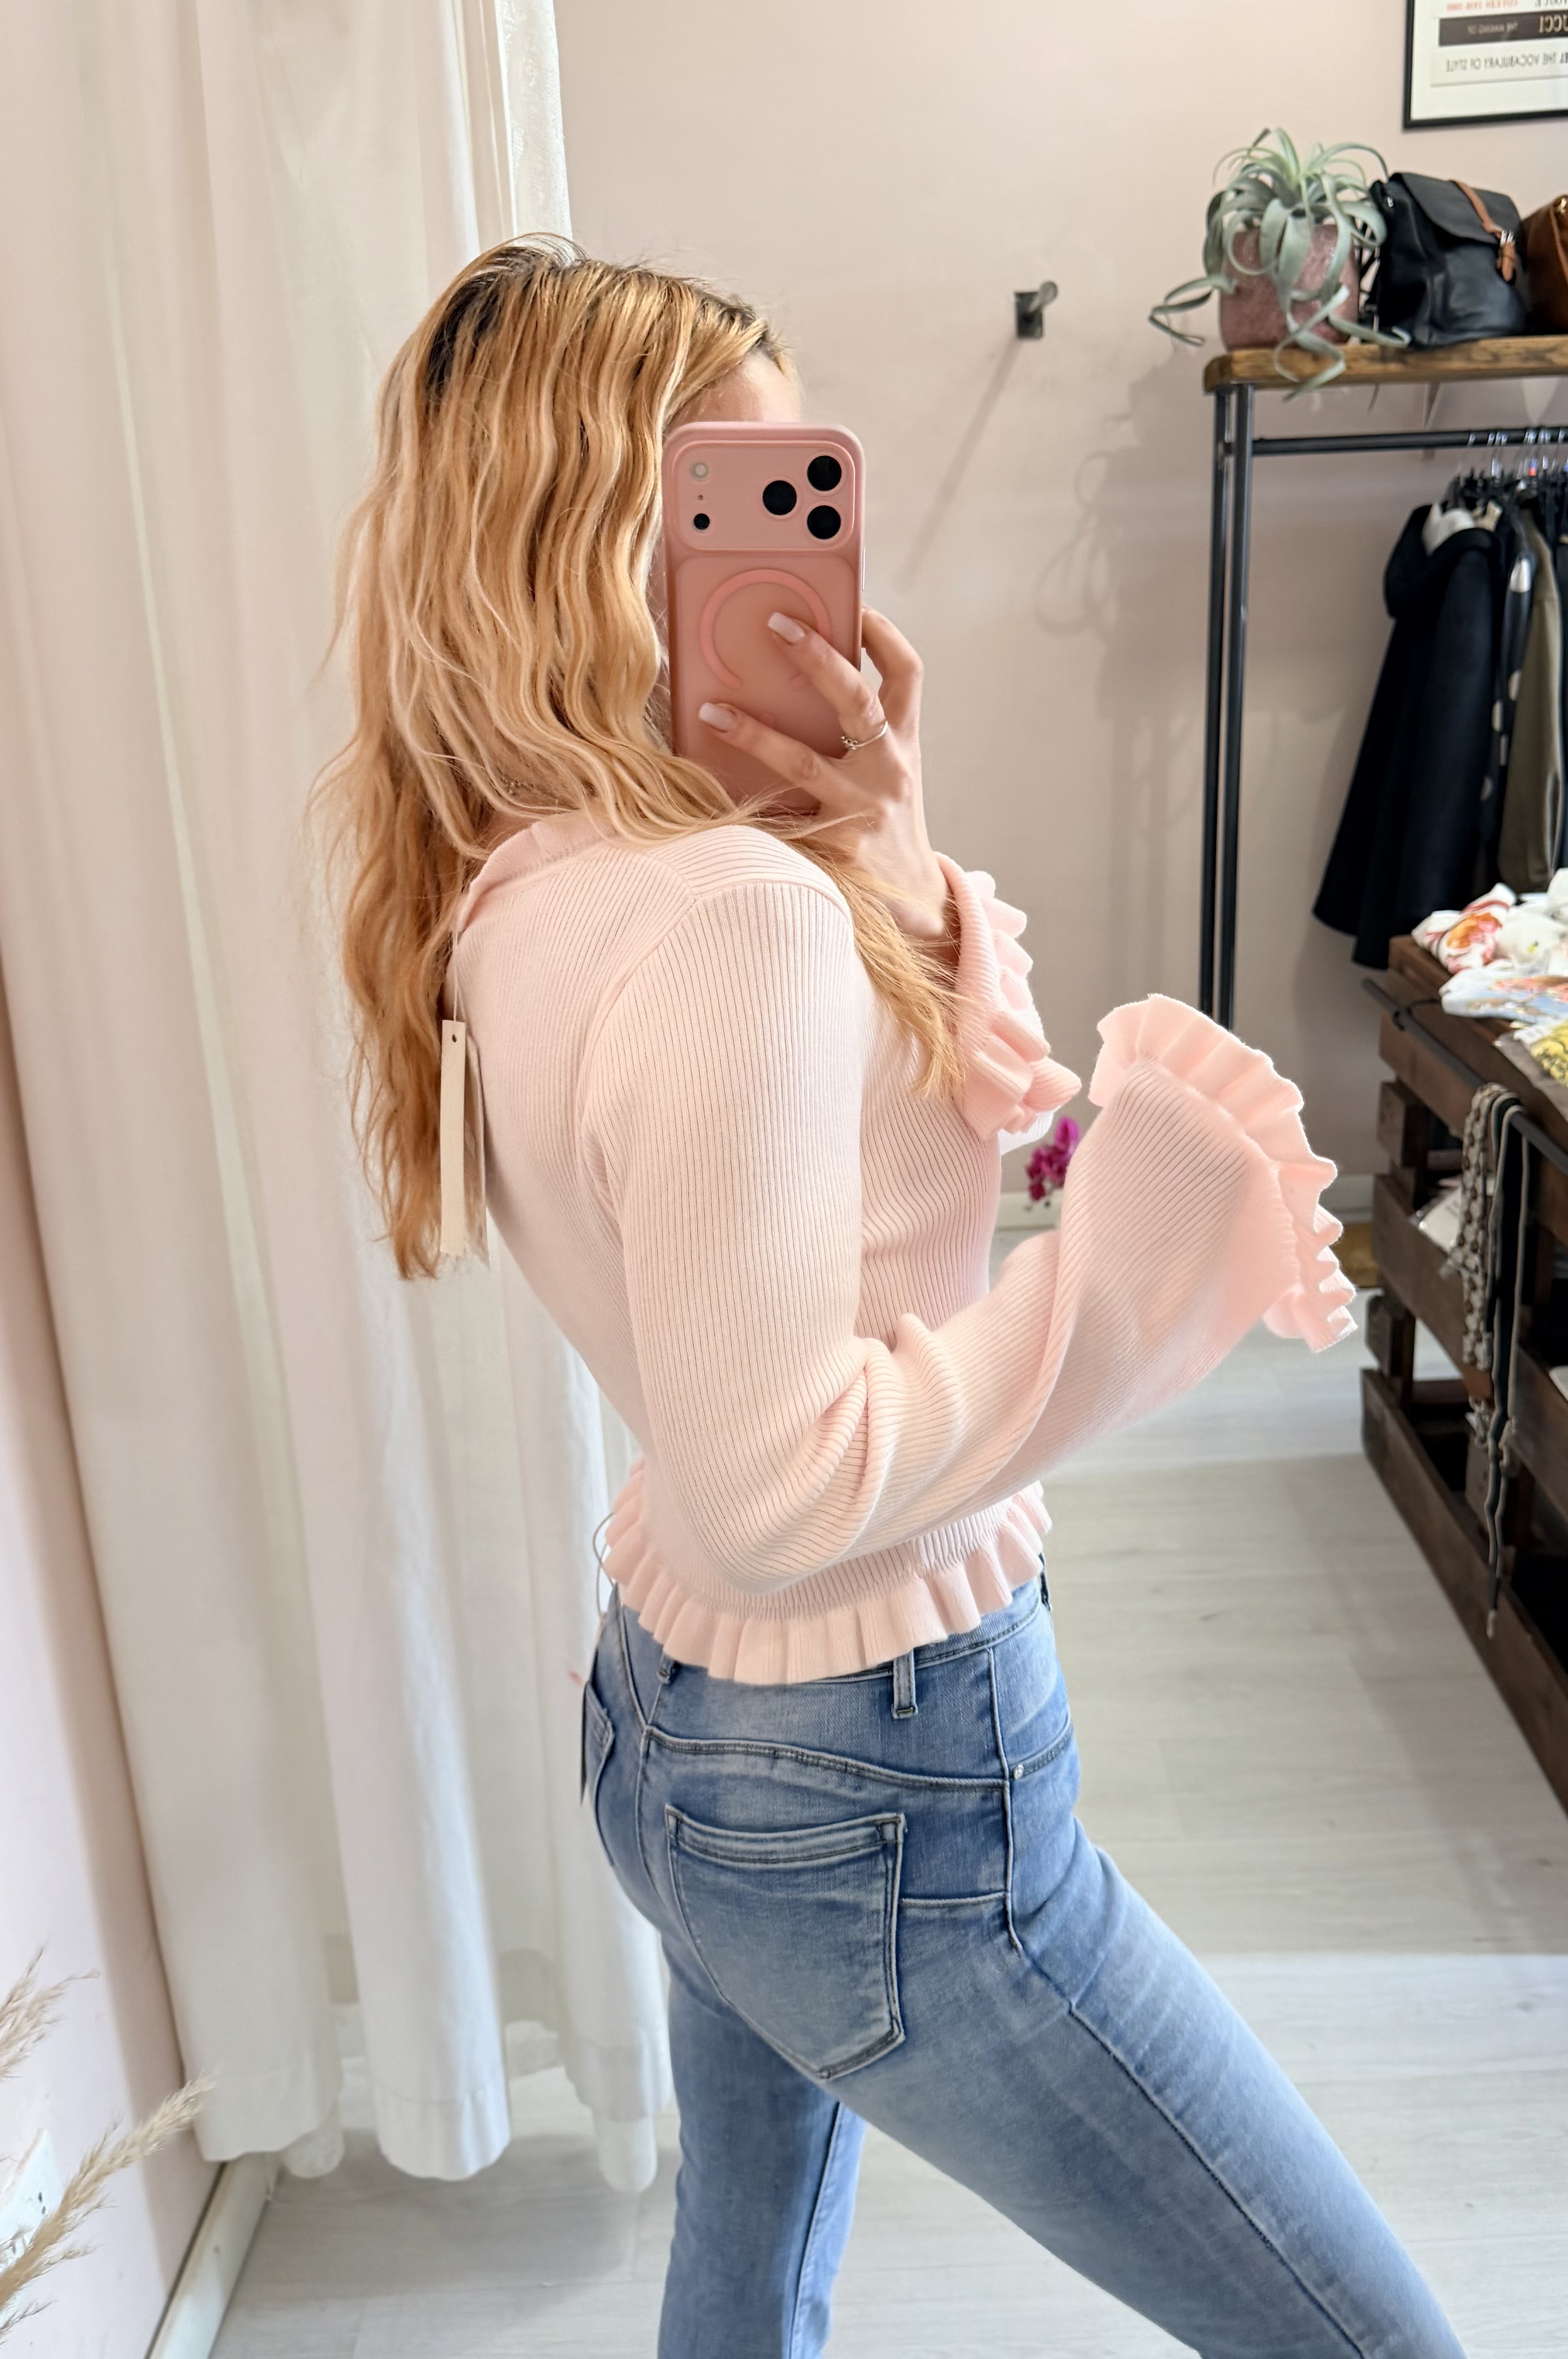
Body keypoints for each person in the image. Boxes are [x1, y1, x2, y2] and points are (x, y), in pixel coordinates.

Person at [322, 237, 1462, 2359]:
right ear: (598, 547)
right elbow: (789, 1479)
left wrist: (891, 853)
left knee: (745, 2287)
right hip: (878, 1780)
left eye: (803, 497)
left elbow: (940, 1150)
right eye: (731, 508)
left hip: (682, 1734)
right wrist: (1135, 1261)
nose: (799, 571)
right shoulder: (722, 915)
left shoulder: (519, 870)